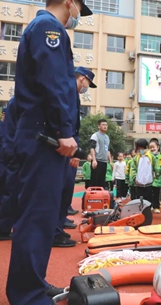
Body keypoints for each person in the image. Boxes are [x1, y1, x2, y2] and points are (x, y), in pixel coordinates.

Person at [6, 0, 92, 305]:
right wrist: (63, 132)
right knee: (36, 217)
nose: (78, 15)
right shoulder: (48, 29)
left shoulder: (43, 28)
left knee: (40, 217)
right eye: (80, 8)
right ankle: (27, 295)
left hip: (42, 136)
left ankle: (34, 284)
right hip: (45, 138)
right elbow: (55, 84)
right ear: (70, 1)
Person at [54, 66, 97, 248]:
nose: (87, 87)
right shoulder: (67, 91)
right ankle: (53, 232)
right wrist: (72, 151)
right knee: (58, 192)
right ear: (83, 78)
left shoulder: (72, 93)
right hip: (64, 149)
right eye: (88, 82)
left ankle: (57, 228)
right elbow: (67, 124)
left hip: (68, 148)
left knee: (64, 191)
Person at [0, 96, 18, 241]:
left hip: (14, 153)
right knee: (11, 192)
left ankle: (3, 227)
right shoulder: (21, 100)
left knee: (11, 191)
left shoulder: (19, 99)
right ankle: (1, 228)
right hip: (15, 154)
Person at [130, 139, 158, 203]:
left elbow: (155, 167)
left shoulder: (151, 156)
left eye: (142, 148)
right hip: (139, 183)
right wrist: (134, 177)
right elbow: (133, 168)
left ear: (146, 147)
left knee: (149, 197)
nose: (141, 150)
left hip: (149, 182)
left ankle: (149, 208)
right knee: (140, 197)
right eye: (139, 149)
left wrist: (156, 175)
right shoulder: (136, 158)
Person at [89, 119, 114, 189]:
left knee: (102, 181)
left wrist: (110, 161)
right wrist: (94, 160)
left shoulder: (107, 137)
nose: (105, 126)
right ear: (98, 126)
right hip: (97, 161)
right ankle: (93, 197)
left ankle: (100, 197)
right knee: (95, 181)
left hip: (104, 162)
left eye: (106, 125)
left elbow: (108, 150)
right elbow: (92, 148)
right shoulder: (95, 135)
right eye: (103, 125)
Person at [150, 139, 161, 214]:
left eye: (153, 147)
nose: (152, 149)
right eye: (150, 147)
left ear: (158, 147)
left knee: (157, 192)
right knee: (150, 192)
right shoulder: (148, 156)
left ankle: (156, 206)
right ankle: (150, 205)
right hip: (150, 178)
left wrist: (158, 172)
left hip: (158, 178)